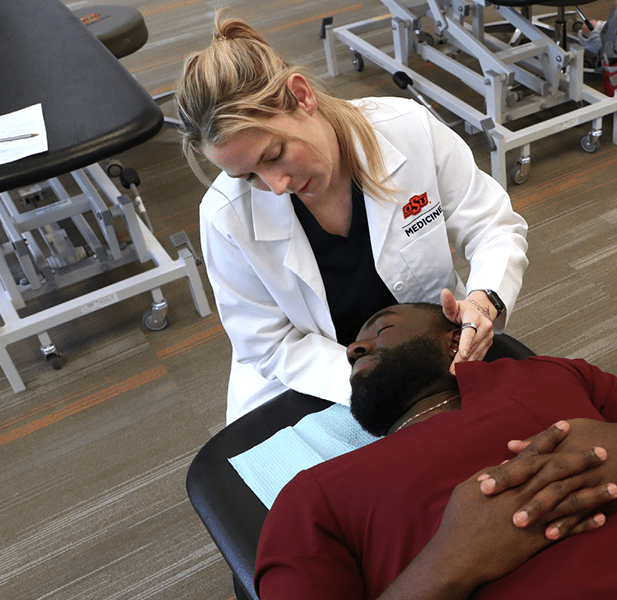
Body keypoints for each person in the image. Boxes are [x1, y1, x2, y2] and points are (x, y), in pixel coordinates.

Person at [256, 303, 617, 599]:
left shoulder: (554, 374)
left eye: (379, 328)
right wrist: (451, 564)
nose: (354, 348)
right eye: (353, 351)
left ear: (455, 339)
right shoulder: (311, 497)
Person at [174, 13, 529, 423]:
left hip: (428, 356)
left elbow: (492, 225)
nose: (275, 185)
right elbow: (269, 345)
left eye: (273, 155)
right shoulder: (225, 217)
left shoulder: (408, 130)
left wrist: (486, 300)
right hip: (313, 387)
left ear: (302, 95)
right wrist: (377, 383)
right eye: (248, 175)